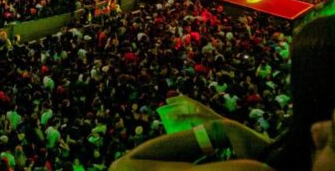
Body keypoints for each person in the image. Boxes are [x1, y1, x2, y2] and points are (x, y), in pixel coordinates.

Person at [110, 14, 335, 171]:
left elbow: (124, 166)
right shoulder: (301, 148)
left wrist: (216, 131)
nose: (318, 131)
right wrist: (229, 129)